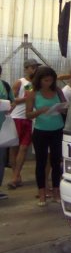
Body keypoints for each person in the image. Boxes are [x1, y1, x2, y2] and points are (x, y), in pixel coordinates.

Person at [25, 66, 65, 206]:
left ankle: (56, 191)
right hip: (41, 131)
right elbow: (28, 114)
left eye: (51, 80)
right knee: (41, 163)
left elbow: (65, 106)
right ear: (39, 80)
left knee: (56, 161)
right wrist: (40, 111)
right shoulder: (32, 94)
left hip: (57, 129)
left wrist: (62, 108)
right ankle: (42, 193)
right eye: (45, 80)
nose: (48, 83)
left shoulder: (58, 91)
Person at [7, 58, 41, 190]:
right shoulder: (20, 82)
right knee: (14, 148)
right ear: (26, 69)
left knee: (24, 148)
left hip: (29, 119)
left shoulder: (37, 84)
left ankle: (15, 176)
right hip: (16, 118)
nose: (35, 69)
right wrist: (25, 99)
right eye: (32, 67)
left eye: (36, 67)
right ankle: (16, 175)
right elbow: (12, 100)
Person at [0, 66, 15, 201]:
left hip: (2, 129)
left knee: (0, 160)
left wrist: (9, 107)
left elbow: (13, 101)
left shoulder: (4, 85)